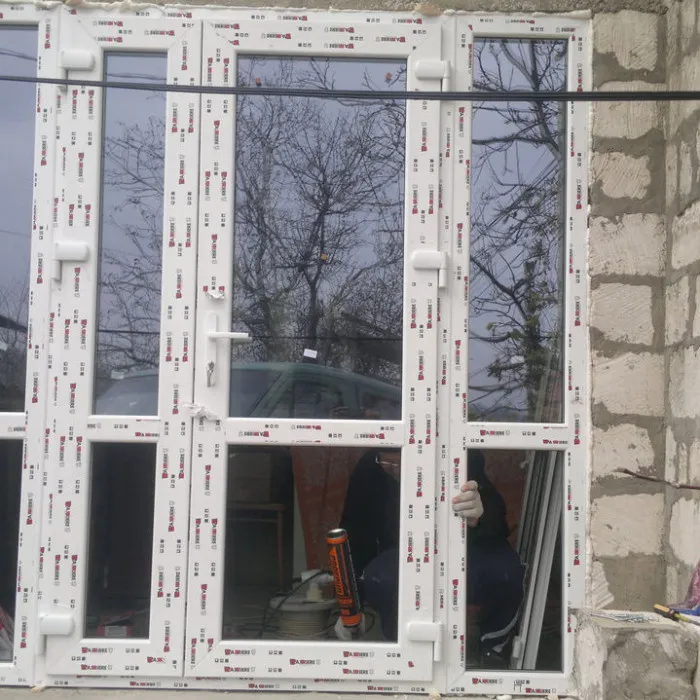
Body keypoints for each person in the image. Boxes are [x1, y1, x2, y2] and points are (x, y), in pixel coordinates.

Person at [338, 448, 524, 667]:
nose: (397, 471)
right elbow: (356, 536)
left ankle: (492, 650)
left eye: (402, 463)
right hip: (402, 552)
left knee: (506, 573)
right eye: (389, 465)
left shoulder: (458, 452)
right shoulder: (371, 467)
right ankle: (401, 655)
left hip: (469, 549)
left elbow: (498, 523)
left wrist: (480, 515)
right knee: (380, 578)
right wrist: (351, 606)